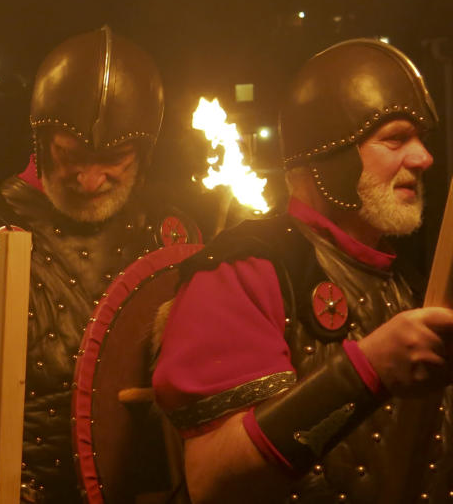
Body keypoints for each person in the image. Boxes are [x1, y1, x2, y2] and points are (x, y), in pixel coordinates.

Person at [0, 26, 200, 504]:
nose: (89, 179)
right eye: (70, 155)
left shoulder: (173, 240)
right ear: (42, 140)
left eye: (114, 159)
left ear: (145, 152)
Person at [153, 38, 453, 503]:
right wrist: (369, 369)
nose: (422, 158)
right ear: (329, 156)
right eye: (395, 138)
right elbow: (214, 479)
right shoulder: (243, 270)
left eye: (421, 140)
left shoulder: (405, 284)